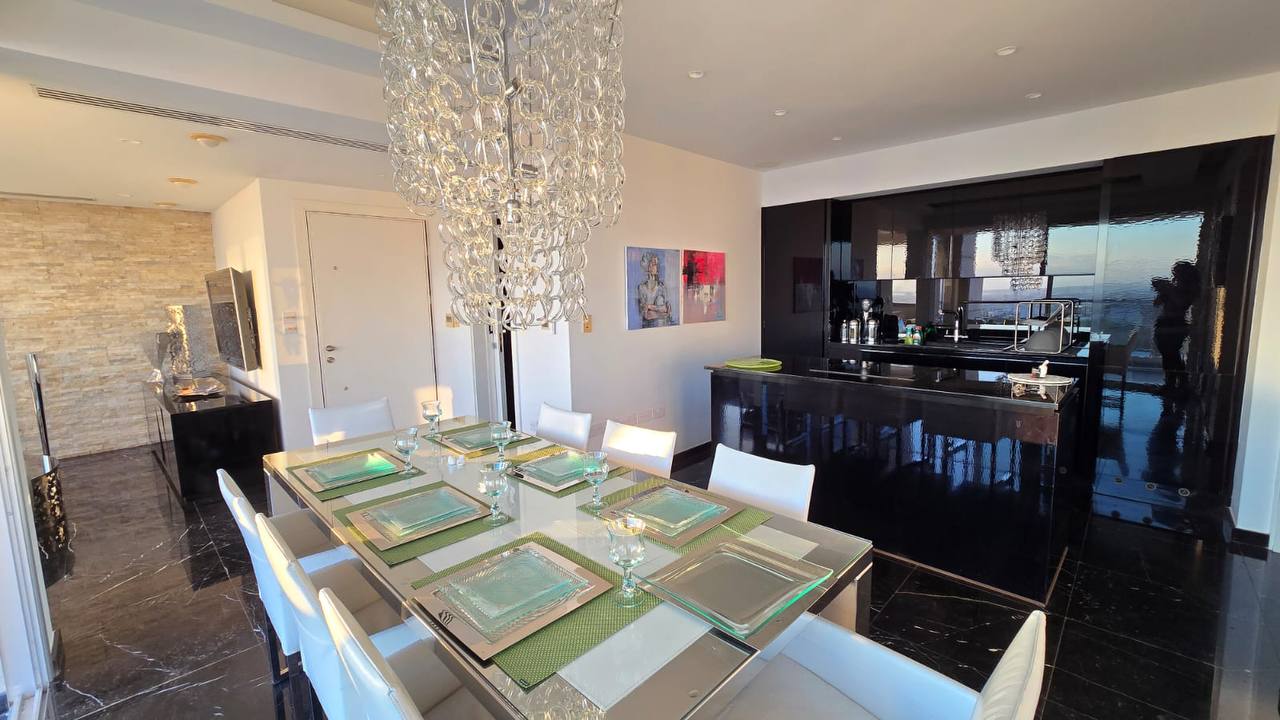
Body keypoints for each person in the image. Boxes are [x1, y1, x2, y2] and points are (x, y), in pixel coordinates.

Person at [1151, 260, 1199, 393]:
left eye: (1177, 274)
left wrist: (1169, 289)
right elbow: (1156, 303)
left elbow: (1181, 303)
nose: (1175, 277)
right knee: (1168, 356)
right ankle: (1172, 384)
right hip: (1165, 324)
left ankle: (1178, 384)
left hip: (1175, 325)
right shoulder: (1175, 288)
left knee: (1171, 356)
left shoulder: (1187, 290)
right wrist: (1163, 292)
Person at [636, 251, 673, 328]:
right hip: (648, 329)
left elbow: (667, 309)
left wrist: (649, 306)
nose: (657, 267)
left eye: (657, 264)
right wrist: (662, 312)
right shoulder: (641, 288)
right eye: (654, 264)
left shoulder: (662, 287)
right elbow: (647, 315)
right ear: (648, 267)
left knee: (660, 300)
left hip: (664, 326)